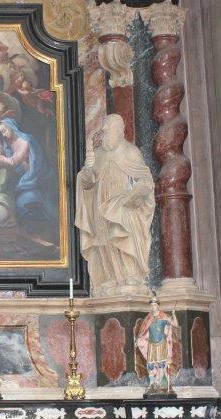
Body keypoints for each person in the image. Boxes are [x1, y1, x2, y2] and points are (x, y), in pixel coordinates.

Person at [75, 114, 155, 294]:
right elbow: (88, 182)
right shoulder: (98, 154)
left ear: (119, 131)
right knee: (103, 240)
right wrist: (87, 166)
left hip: (122, 205)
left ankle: (130, 275)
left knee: (120, 235)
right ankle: (111, 276)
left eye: (108, 131)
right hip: (100, 204)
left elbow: (145, 180)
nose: (104, 135)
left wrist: (135, 195)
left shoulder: (130, 152)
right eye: (103, 131)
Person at [0, 118, 55, 222]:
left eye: (4, 131)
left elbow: (13, 162)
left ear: (11, 127)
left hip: (36, 176)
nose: (4, 135)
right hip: (27, 177)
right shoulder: (13, 144)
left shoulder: (25, 140)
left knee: (19, 202)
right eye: (2, 133)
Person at [135, 294, 179, 394]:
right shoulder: (148, 318)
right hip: (151, 344)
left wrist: (174, 314)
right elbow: (143, 331)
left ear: (158, 306)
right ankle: (151, 384)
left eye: (154, 305)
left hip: (161, 343)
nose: (153, 307)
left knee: (161, 363)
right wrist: (138, 340)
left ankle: (158, 382)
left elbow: (175, 324)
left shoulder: (164, 316)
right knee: (150, 364)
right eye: (151, 305)